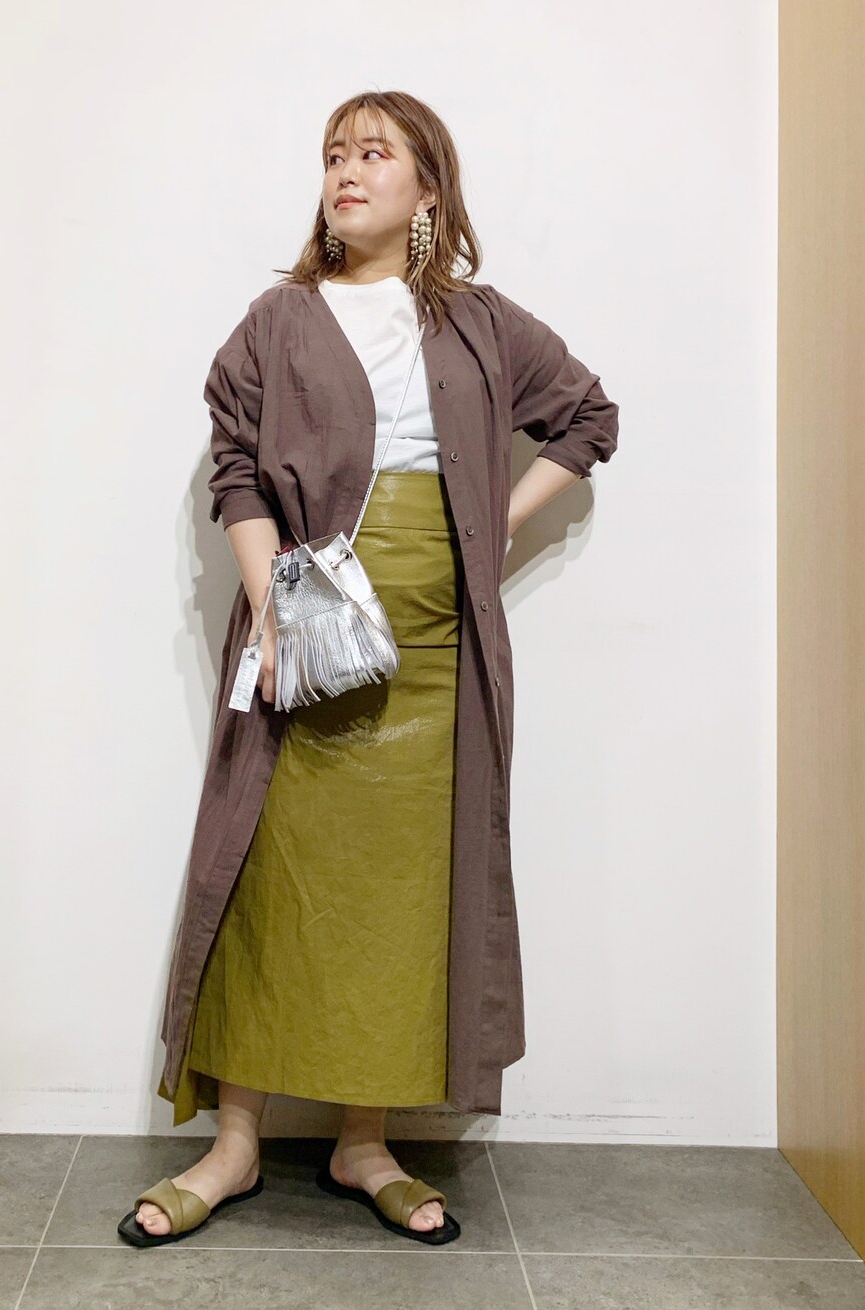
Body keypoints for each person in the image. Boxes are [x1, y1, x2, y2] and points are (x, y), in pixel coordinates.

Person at [118, 90, 619, 1249]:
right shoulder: (278, 320)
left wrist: (492, 528)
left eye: (373, 153)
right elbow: (237, 472)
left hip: (439, 655)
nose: (346, 170)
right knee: (264, 879)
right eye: (333, 154)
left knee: (404, 899)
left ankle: (364, 1142)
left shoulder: (482, 324)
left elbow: (588, 419)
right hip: (309, 628)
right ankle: (234, 1142)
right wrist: (274, 609)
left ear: (427, 188)